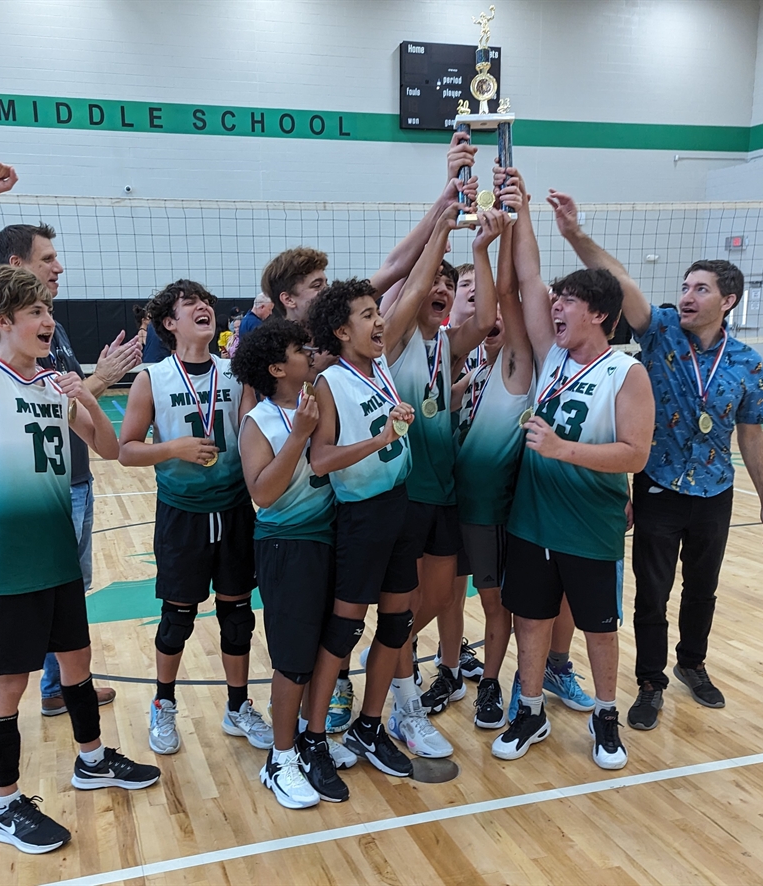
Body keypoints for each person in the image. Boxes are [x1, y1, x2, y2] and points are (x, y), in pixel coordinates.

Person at [0, 159, 159, 854]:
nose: (49, 318)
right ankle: (3, 806)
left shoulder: (50, 387)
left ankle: (92, 759)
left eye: (49, 310)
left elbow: (104, 449)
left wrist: (86, 394)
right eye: (36, 310)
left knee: (76, 660)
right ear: (4, 321)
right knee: (7, 685)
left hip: (57, 558)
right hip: (11, 568)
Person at [259, 131, 481, 734]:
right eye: (318, 287)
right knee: (329, 624)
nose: (376, 316)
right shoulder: (299, 367)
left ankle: (380, 712)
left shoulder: (368, 356)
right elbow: (310, 454)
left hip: (380, 503)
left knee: (390, 616)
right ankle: (303, 731)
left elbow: (401, 278)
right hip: (306, 514)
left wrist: (447, 210)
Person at [547, 190, 763, 729]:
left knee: (703, 588)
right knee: (652, 593)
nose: (687, 295)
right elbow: (624, 282)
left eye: (700, 289)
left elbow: (751, 435)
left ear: (728, 301)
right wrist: (575, 235)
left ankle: (692, 666)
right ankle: (649, 681)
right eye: (684, 286)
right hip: (657, 486)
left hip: (715, 491)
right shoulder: (660, 333)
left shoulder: (747, 361)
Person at [493, 167, 654, 770]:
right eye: (557, 301)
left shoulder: (627, 373)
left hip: (590, 523)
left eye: (569, 301)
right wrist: (524, 207)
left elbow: (634, 454)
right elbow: (530, 276)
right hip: (532, 519)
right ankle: (529, 710)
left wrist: (563, 449)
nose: (555, 306)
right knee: (531, 619)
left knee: (598, 628)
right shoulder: (552, 354)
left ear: (601, 314)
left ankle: (606, 716)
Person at [0, 220, 142, 759]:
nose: (58, 269)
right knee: (11, 662)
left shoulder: (48, 358)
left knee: (73, 641)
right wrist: (100, 380)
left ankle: (76, 727)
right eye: (47, 259)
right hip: (20, 538)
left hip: (64, 510)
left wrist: (87, 395)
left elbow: (100, 437)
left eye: (48, 310)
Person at [378, 197, 507, 757]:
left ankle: (387, 658)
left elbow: (484, 320)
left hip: (444, 494)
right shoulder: (398, 341)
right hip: (404, 492)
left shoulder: (448, 349)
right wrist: (443, 226)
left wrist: (480, 248)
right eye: (437, 286)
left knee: (431, 602)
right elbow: (408, 292)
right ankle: (402, 705)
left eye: (449, 290)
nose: (442, 292)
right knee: (405, 607)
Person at [118, 279, 269, 756]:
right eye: (191, 304)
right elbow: (126, 450)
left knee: (238, 616)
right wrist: (174, 448)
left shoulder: (235, 374)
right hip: (182, 514)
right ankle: (163, 704)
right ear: (170, 322)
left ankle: (238, 706)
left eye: (206, 302)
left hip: (234, 508)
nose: (204, 307)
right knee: (177, 618)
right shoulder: (152, 378)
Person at [233, 319, 354, 808]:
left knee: (328, 646)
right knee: (293, 659)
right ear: (278, 368)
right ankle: (279, 757)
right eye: (299, 350)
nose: (310, 354)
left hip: (329, 538)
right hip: (286, 545)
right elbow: (262, 493)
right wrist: (298, 436)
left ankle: (309, 738)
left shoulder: (317, 404)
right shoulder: (258, 421)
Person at [306, 278, 418, 777]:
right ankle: (312, 737)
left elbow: (411, 290)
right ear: (341, 330)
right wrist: (382, 437)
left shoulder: (382, 368)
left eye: (379, 312)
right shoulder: (331, 382)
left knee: (398, 624)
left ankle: (369, 727)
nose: (380, 322)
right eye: (368, 315)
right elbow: (321, 459)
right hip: (361, 515)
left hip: (400, 505)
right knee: (345, 628)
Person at [450, 182, 531, 732]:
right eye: (473, 298)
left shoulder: (516, 368)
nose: (488, 310)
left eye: (493, 304)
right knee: (437, 599)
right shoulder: (465, 371)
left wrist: (493, 238)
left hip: (489, 513)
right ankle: (442, 670)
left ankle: (492, 685)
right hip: (446, 507)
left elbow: (511, 294)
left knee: (495, 603)